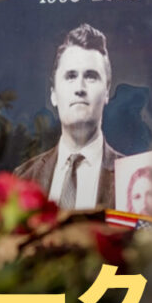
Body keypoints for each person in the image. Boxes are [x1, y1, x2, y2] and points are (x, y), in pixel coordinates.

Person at [15, 23, 123, 209]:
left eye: (91, 76)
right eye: (71, 76)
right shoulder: (23, 178)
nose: (79, 88)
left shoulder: (132, 179)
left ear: (107, 92)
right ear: (53, 94)